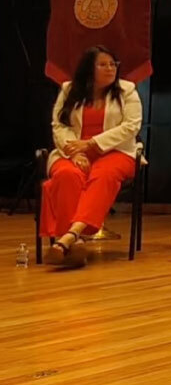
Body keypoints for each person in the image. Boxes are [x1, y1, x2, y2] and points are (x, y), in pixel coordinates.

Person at [42, 46, 142, 268]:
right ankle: (75, 245)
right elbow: (59, 125)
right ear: (89, 69)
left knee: (103, 175)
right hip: (72, 151)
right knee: (66, 174)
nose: (110, 69)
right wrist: (76, 152)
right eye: (103, 65)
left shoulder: (127, 90)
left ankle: (69, 236)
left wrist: (91, 144)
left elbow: (131, 126)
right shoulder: (69, 90)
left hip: (116, 151)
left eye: (113, 64)